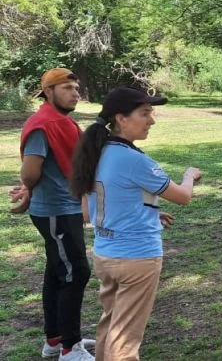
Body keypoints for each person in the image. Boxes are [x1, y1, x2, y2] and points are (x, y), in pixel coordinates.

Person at [69, 86, 202, 361]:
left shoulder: (96, 152)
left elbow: (94, 206)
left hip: (105, 255)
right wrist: (189, 175)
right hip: (137, 258)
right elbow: (183, 197)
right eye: (145, 114)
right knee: (126, 341)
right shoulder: (134, 160)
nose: (151, 121)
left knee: (111, 324)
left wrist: (150, 212)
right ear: (121, 118)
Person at [11, 68, 96, 360]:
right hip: (54, 211)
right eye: (67, 88)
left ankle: (55, 339)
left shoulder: (61, 121)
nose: (75, 92)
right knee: (76, 272)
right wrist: (26, 188)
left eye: (76, 87)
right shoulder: (42, 124)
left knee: (58, 272)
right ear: (48, 91)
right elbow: (30, 171)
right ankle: (71, 348)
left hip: (65, 207)